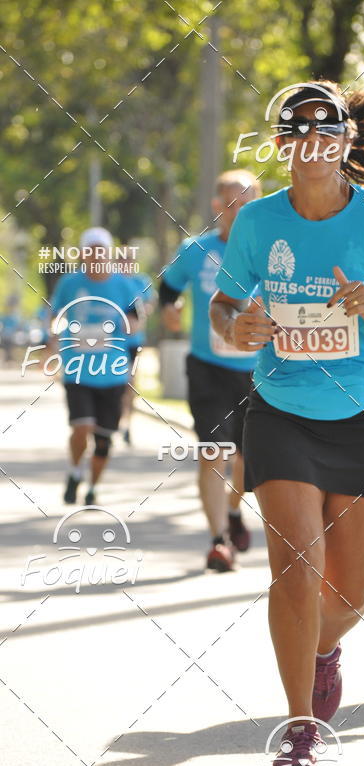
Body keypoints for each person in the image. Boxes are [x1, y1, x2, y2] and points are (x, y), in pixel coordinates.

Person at [211, 81, 364, 766]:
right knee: (297, 575)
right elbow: (224, 308)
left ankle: (322, 651)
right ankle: (300, 726)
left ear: (344, 140)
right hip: (280, 410)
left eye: (327, 125)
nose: (313, 137)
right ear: (281, 144)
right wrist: (238, 325)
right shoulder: (256, 222)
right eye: (298, 127)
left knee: (350, 595)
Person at [159, 170, 261, 572]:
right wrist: (170, 311)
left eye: (246, 202)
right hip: (208, 367)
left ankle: (234, 511)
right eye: (230, 202)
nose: (237, 210)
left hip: (258, 370)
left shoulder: (270, 250)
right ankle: (219, 540)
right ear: (217, 206)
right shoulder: (195, 249)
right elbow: (168, 289)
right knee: (213, 452)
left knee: (246, 460)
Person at [50, 227, 140, 506]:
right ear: (83, 254)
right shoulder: (70, 283)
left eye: (100, 250)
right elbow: (55, 317)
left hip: (112, 373)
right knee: (82, 427)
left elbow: (135, 322)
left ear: (108, 253)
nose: (95, 256)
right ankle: (76, 471)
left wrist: (116, 329)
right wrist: (51, 342)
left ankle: (91, 487)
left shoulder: (124, 285)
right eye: (89, 251)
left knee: (103, 440)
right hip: (77, 369)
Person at [120, 251, 155, 445]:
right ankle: (115, 420)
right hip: (113, 343)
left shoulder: (141, 282)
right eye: (121, 261)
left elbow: (149, 305)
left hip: (134, 342)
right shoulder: (112, 282)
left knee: (130, 383)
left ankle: (127, 425)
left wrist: (137, 317)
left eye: (128, 261)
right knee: (115, 384)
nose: (125, 264)